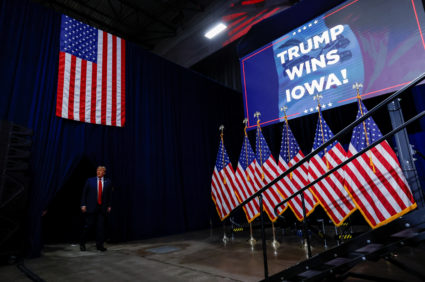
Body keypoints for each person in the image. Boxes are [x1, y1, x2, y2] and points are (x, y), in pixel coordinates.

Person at [80, 166, 113, 252]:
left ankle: (100, 245)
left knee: (100, 228)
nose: (98, 172)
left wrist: (109, 205)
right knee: (88, 226)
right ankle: (82, 243)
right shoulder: (90, 181)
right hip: (91, 207)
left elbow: (109, 195)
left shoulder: (108, 182)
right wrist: (83, 205)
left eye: (101, 171)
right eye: (97, 170)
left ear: (104, 173)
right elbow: (84, 193)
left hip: (102, 208)